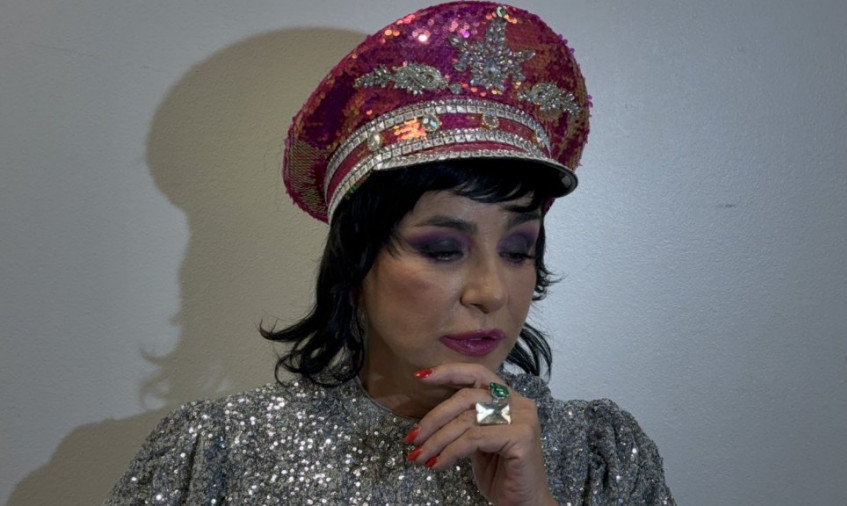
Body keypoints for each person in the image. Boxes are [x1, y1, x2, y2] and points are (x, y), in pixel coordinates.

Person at [106, 2, 675, 504]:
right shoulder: (219, 453)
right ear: (356, 267)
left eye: (517, 250)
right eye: (444, 250)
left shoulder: (598, 456)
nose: (491, 292)